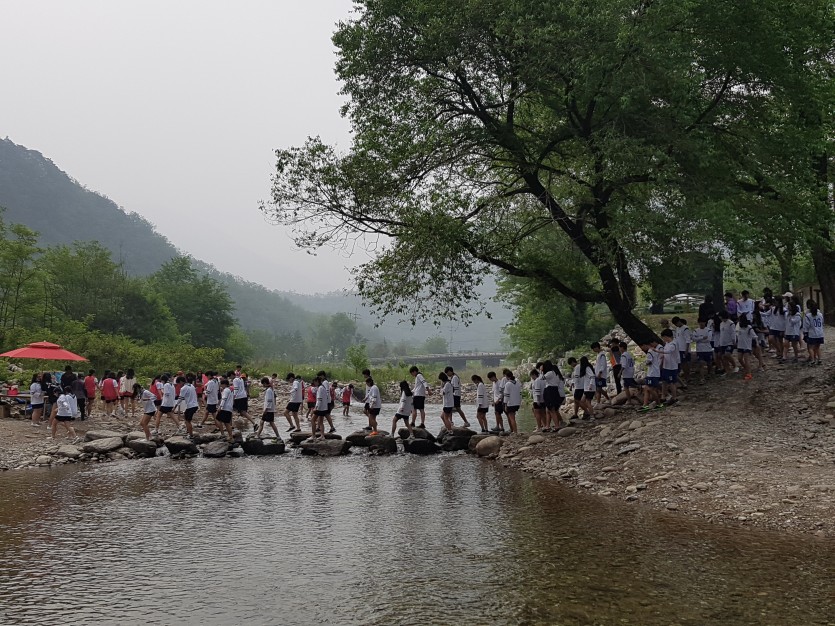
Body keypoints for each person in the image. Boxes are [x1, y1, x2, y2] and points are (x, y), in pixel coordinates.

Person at [656, 329, 679, 404]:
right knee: (664, 381)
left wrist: (658, 351)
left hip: (672, 366)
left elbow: (669, 351)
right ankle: (663, 396)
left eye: (663, 337)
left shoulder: (673, 343)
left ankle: (674, 398)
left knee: (671, 382)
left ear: (666, 336)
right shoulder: (667, 343)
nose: (663, 339)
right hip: (666, 365)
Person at [639, 341, 662, 411]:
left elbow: (649, 361)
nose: (642, 349)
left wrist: (645, 363)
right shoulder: (654, 351)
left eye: (642, 347)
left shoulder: (650, 352)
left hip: (652, 373)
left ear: (644, 345)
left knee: (651, 389)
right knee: (646, 388)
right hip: (653, 373)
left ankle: (659, 404)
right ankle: (645, 405)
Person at [541, 360, 565, 430]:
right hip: (554, 390)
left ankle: (557, 425)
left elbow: (541, 378)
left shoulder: (550, 373)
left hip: (550, 390)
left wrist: (541, 371)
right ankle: (547, 426)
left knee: (552, 409)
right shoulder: (556, 374)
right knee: (548, 409)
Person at [692, 319, 713, 383]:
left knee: (709, 363)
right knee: (701, 363)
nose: (701, 323)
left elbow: (708, 339)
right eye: (700, 322)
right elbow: (693, 339)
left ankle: (709, 373)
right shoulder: (696, 330)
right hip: (699, 350)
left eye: (703, 322)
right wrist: (702, 338)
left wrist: (698, 339)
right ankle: (702, 378)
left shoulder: (708, 330)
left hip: (707, 349)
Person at [804, 301, 824, 365]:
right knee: (817, 347)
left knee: (810, 348)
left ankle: (812, 360)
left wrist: (805, 333)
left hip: (812, 334)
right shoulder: (820, 314)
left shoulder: (808, 316)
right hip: (820, 333)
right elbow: (822, 322)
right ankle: (819, 359)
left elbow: (806, 325)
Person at [672, 317, 692, 385]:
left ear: (679, 321)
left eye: (677, 323)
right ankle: (686, 376)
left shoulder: (685, 328)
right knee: (682, 364)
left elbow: (688, 340)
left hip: (684, 349)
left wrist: (686, 349)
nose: (676, 325)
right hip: (679, 348)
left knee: (685, 363)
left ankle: (688, 377)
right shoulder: (677, 328)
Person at [216, 378, 236, 443]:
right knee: (226, 423)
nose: (221, 386)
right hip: (229, 408)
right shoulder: (230, 390)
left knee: (218, 419)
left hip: (225, 408)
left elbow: (224, 399)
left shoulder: (226, 390)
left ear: (224, 384)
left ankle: (224, 434)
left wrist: (220, 407)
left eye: (221, 384)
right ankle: (230, 436)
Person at [502, 369, 521, 434]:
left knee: (512, 418)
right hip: (516, 403)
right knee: (513, 417)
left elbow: (506, 395)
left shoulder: (508, 384)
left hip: (510, 403)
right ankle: (515, 431)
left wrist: (505, 404)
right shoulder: (517, 383)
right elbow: (520, 394)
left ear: (507, 377)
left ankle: (515, 431)